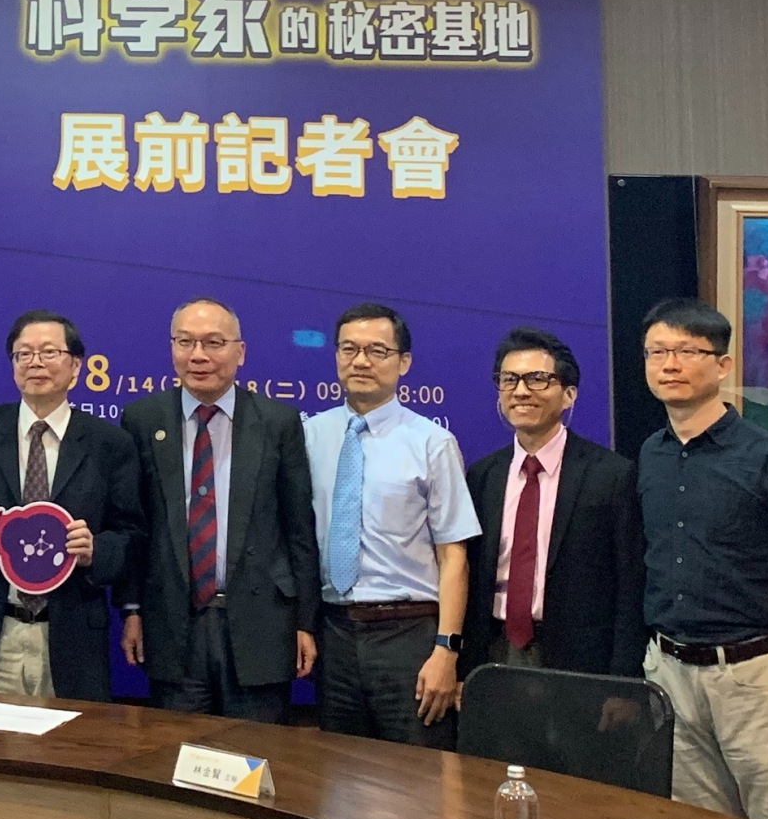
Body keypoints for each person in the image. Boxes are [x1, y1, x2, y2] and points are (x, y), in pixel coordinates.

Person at [636, 298, 768, 819]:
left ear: (722, 366)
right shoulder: (650, 454)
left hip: (754, 677)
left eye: (686, 351)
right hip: (670, 672)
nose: (669, 364)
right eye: (656, 352)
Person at [120, 298, 319, 721]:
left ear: (240, 352)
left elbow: (298, 529)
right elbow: (135, 527)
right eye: (185, 342)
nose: (198, 355)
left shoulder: (278, 422)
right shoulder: (143, 419)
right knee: (177, 749)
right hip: (173, 623)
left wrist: (306, 621)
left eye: (213, 342)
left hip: (262, 622)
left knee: (254, 751)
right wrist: (132, 610)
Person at [0, 309, 142, 701]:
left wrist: (95, 550)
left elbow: (131, 534)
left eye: (49, 352)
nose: (36, 363)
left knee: (71, 738)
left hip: (71, 633)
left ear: (76, 365)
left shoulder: (109, 443)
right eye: (24, 354)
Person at [305, 302, 480, 749]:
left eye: (377, 351)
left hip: (409, 635)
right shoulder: (309, 435)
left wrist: (446, 650)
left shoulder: (432, 442)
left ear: (404, 362)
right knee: (339, 770)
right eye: (349, 349)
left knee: (419, 776)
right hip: (334, 634)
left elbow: (454, 556)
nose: (361, 361)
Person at [461, 328, 646, 677]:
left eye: (537, 379)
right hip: (494, 653)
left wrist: (623, 679)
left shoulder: (611, 475)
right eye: (509, 379)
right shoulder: (483, 475)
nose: (520, 391)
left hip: (579, 659)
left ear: (568, 395)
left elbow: (630, 586)